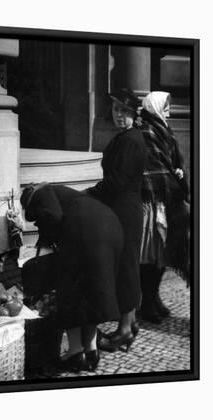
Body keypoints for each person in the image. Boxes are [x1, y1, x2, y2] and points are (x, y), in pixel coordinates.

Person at [20, 183, 123, 372]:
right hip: (111, 227)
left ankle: (75, 354)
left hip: (85, 230)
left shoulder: (42, 192)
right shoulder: (66, 194)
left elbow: (52, 216)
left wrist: (44, 244)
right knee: (90, 292)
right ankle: (91, 352)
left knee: (69, 293)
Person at [86, 88, 146, 353]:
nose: (119, 115)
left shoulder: (131, 140)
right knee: (126, 266)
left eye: (125, 111)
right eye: (115, 110)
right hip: (122, 209)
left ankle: (124, 329)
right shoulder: (127, 137)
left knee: (126, 268)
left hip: (124, 210)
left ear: (134, 114)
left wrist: (89, 193)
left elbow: (117, 182)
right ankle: (129, 324)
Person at [139, 91, 190, 323]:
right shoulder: (148, 131)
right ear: (154, 107)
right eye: (166, 107)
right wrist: (175, 177)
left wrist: (178, 171)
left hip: (164, 199)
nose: (169, 111)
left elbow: (170, 162)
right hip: (151, 201)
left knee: (162, 254)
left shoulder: (162, 129)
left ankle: (154, 298)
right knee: (152, 254)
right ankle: (147, 303)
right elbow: (154, 168)